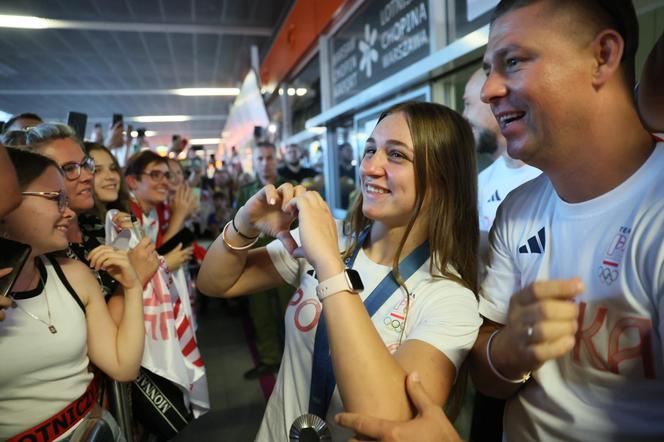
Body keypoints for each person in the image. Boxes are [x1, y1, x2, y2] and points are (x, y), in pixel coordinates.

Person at [337, 2, 664, 440]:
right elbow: (489, 376)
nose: (490, 91)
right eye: (490, 69)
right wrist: (510, 354)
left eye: (513, 62)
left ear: (602, 56)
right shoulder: (519, 208)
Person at [198, 101, 482, 440]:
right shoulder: (335, 237)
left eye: (396, 155)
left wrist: (330, 266)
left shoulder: (449, 297)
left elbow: (389, 419)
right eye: (370, 150)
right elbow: (214, 283)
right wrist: (245, 222)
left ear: (443, 178)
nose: (370, 167)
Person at [0, 148, 145, 441]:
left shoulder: (74, 275)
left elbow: (123, 365)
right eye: (56, 199)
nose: (68, 211)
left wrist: (132, 287)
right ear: (9, 202)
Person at [232, 141, 293, 380]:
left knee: (291, 311)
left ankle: (293, 356)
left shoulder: (290, 188)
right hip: (255, 260)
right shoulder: (246, 191)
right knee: (261, 313)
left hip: (286, 258)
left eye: (269, 158)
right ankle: (269, 358)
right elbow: (236, 223)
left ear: (276, 160)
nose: (265, 163)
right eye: (260, 158)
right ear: (254, 161)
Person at [125, 150, 194, 272]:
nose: (165, 182)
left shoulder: (154, 210)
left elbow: (159, 252)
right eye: (156, 175)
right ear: (133, 181)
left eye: (167, 175)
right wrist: (179, 215)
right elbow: (141, 269)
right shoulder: (125, 214)